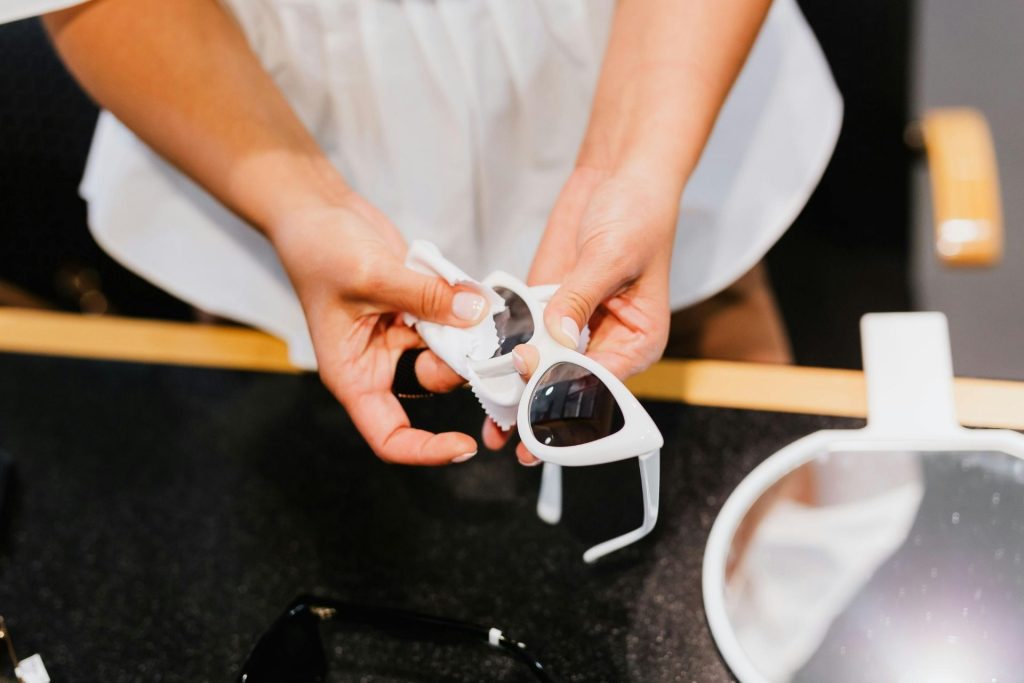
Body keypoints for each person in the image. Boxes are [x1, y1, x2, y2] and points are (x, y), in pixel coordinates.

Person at [4, 0, 840, 466]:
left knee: (738, 512)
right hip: (261, 176)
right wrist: (299, 204)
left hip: (668, 135)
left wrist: (635, 166)